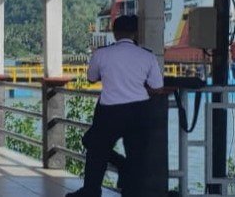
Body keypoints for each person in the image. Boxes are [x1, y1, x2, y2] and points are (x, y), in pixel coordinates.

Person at [66, 15, 163, 197]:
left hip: (109, 111)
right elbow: (158, 87)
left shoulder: (101, 54)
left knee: (95, 149)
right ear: (136, 32)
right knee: (137, 155)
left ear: (114, 32)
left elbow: (91, 78)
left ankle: (91, 191)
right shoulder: (147, 55)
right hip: (139, 110)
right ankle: (132, 192)